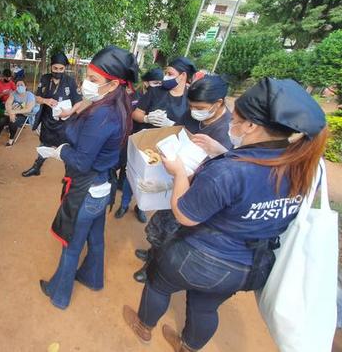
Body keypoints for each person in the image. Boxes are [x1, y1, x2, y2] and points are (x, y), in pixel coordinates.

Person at [123, 78, 327, 352]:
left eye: (237, 118)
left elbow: (184, 214)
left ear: (252, 126)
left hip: (200, 256)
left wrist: (179, 172)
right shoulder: (300, 167)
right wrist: (221, 151)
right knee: (205, 308)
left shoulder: (229, 171)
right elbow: (254, 188)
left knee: (158, 284)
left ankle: (143, 327)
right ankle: (188, 347)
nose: (232, 123)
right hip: (248, 265)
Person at [38, 46, 139, 309]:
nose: (86, 83)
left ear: (113, 83)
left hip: (86, 190)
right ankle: (93, 278)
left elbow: (82, 161)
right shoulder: (117, 105)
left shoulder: (102, 115)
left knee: (71, 247)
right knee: (95, 238)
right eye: (87, 76)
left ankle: (58, 294)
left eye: (93, 80)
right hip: (103, 188)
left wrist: (60, 150)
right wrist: (80, 109)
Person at [132, 75, 234, 284]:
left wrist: (176, 178)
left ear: (218, 103)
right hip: (174, 176)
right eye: (191, 106)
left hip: (194, 191)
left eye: (200, 106)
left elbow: (220, 172)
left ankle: (153, 268)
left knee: (172, 236)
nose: (194, 110)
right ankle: (152, 253)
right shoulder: (193, 114)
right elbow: (177, 133)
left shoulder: (227, 131)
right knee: (161, 224)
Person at [115, 68, 166, 223]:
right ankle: (124, 204)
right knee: (131, 174)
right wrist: (145, 118)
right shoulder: (134, 96)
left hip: (154, 143)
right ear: (146, 83)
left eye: (160, 83)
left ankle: (140, 207)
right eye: (155, 83)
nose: (158, 86)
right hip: (135, 139)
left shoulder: (164, 96)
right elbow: (128, 115)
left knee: (148, 178)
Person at [22, 52, 83, 177]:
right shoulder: (45, 78)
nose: (58, 71)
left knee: (66, 149)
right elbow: (36, 97)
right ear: (51, 67)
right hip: (48, 121)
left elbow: (79, 102)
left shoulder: (70, 82)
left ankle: (69, 176)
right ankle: (36, 167)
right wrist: (46, 101)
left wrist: (69, 112)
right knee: (44, 144)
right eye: (55, 68)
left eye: (61, 69)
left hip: (65, 122)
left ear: (65, 68)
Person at [0, 78, 36, 146]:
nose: (19, 86)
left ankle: (11, 139)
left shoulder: (30, 95)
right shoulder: (14, 93)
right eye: (17, 85)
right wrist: (11, 113)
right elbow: (8, 104)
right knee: (1, 120)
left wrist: (13, 112)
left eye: (21, 85)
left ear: (25, 86)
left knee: (13, 122)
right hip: (12, 112)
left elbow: (28, 109)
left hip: (24, 114)